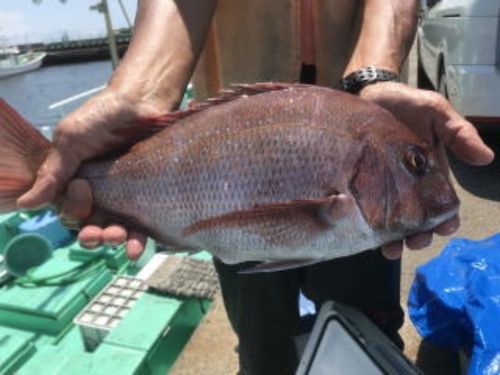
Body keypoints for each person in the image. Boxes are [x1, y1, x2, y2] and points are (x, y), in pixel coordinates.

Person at [18, 1, 494, 374]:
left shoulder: (363, 157)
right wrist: (138, 94)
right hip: (221, 146)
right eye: (413, 165)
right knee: (262, 346)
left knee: (369, 330)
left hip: (362, 112)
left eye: (415, 165)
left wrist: (373, 75)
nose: (428, 181)